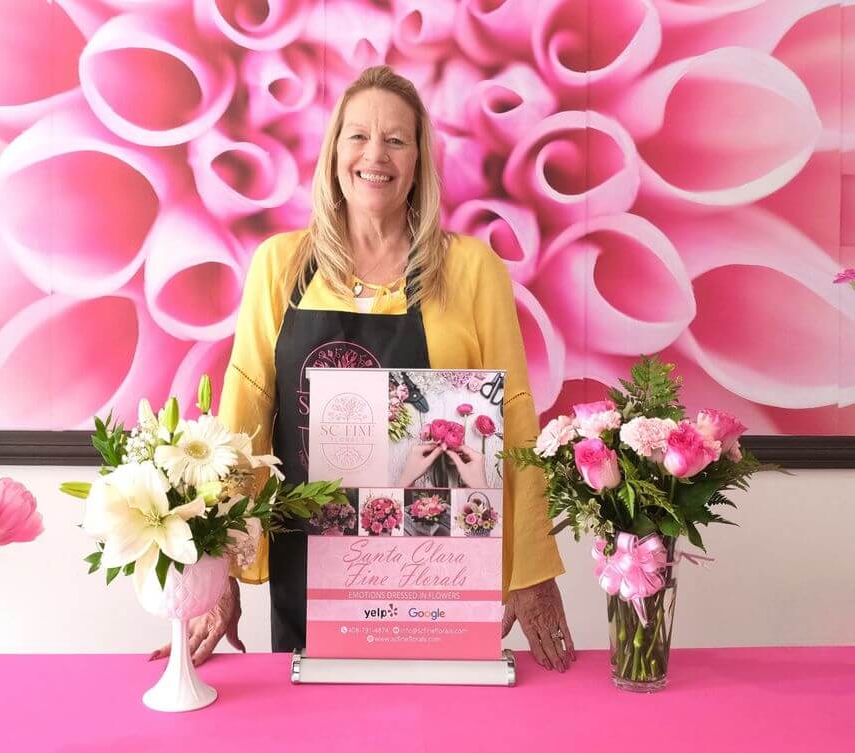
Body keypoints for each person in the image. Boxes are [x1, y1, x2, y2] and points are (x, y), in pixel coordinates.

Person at [150, 65, 576, 672]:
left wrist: (530, 570)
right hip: (310, 573)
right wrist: (219, 571)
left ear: (419, 161)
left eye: (396, 140)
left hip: (442, 576)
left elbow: (514, 422)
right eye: (359, 136)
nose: (375, 155)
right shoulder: (280, 265)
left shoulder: (473, 269)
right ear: (334, 153)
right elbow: (244, 421)